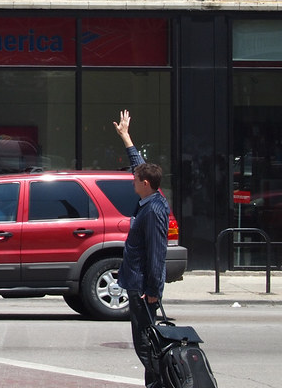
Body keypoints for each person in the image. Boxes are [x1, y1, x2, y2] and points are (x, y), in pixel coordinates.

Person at [113, 109, 169, 388]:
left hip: (143, 287)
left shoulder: (154, 211)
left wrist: (153, 291)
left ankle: (159, 384)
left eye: (135, 180)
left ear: (145, 184)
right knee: (146, 343)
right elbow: (140, 165)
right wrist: (126, 136)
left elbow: (157, 254)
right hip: (139, 284)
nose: (132, 181)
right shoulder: (151, 197)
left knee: (146, 344)